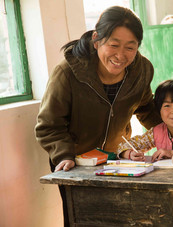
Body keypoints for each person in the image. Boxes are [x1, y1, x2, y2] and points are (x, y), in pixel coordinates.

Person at [35, 6, 161, 226]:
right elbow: (49, 125)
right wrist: (64, 155)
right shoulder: (68, 73)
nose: (120, 55)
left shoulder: (142, 70)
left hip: (117, 160)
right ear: (96, 39)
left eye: (130, 48)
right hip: (75, 162)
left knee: (121, 218)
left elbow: (147, 109)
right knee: (83, 219)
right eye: (113, 45)